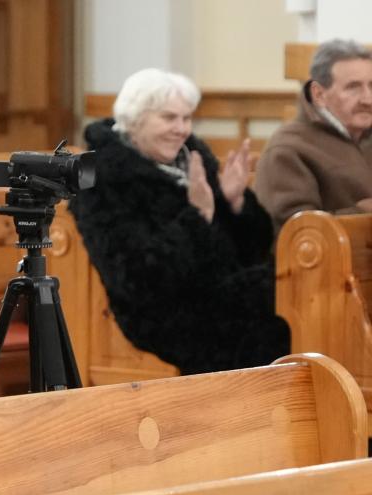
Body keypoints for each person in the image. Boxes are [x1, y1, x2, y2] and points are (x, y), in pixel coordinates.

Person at [70, 68, 289, 375]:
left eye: (187, 118)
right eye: (169, 118)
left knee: (295, 292)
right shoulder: (102, 180)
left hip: (220, 290)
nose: (181, 129)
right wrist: (197, 217)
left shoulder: (194, 159)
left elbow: (252, 250)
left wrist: (234, 203)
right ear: (135, 119)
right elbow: (134, 279)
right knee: (277, 313)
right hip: (164, 310)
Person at [255, 39, 372, 228]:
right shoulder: (288, 148)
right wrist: (362, 214)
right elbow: (295, 231)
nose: (367, 99)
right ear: (319, 95)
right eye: (353, 87)